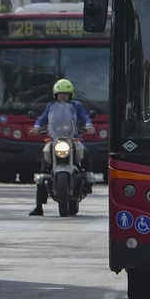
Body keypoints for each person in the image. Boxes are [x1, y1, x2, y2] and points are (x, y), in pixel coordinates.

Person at [29, 79, 92, 217]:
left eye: (65, 94)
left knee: (84, 152)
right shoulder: (51, 106)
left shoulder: (76, 105)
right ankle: (39, 206)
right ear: (55, 95)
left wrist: (88, 125)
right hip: (55, 139)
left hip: (72, 138)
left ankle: (88, 178)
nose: (62, 96)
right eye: (60, 94)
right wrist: (37, 127)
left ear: (70, 95)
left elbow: (85, 117)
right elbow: (42, 119)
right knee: (43, 167)